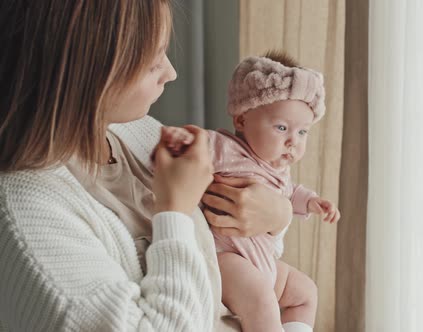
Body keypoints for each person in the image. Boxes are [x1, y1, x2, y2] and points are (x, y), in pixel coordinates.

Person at [0, 1, 291, 331]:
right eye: (153, 63)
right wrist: (175, 211)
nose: (171, 72)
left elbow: (245, 251)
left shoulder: (138, 134)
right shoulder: (26, 216)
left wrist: (277, 215)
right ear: (92, 72)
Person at [159, 51, 341, 332]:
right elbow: (198, 144)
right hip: (226, 258)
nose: (293, 142)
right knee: (262, 302)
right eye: (282, 128)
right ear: (242, 120)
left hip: (264, 263)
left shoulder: (278, 170)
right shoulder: (224, 147)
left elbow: (291, 193)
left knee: (305, 292)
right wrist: (182, 139)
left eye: (302, 132)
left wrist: (313, 202)